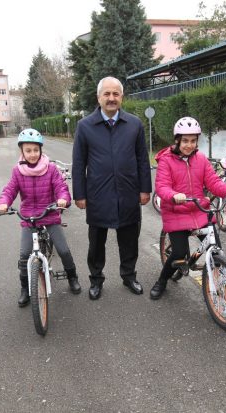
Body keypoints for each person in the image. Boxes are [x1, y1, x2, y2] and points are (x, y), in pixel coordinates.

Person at [72, 76, 152, 300]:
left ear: (122, 97)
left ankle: (129, 276)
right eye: (106, 94)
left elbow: (142, 159)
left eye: (115, 94)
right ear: (99, 98)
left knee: (129, 241)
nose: (111, 98)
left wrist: (145, 189)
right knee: (96, 243)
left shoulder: (134, 124)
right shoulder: (85, 126)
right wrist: (79, 194)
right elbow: (79, 163)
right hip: (97, 195)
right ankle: (96, 280)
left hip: (128, 193)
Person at [150, 117, 226, 299]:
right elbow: (162, 186)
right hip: (176, 212)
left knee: (215, 245)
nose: (189, 145)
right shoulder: (166, 160)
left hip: (200, 209)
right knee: (178, 253)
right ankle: (162, 281)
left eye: (193, 141)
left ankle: (218, 278)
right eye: (185, 140)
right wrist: (173, 195)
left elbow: (214, 182)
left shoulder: (201, 159)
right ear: (177, 139)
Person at [0, 129, 81, 307]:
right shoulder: (17, 171)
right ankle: (25, 289)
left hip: (49, 214)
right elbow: (10, 190)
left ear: (41, 150)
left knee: (63, 249)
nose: (32, 154)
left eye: (36, 150)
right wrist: (3, 203)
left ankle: (72, 277)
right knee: (24, 254)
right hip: (29, 218)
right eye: (28, 150)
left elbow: (60, 186)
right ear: (22, 152)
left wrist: (63, 199)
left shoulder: (50, 168)